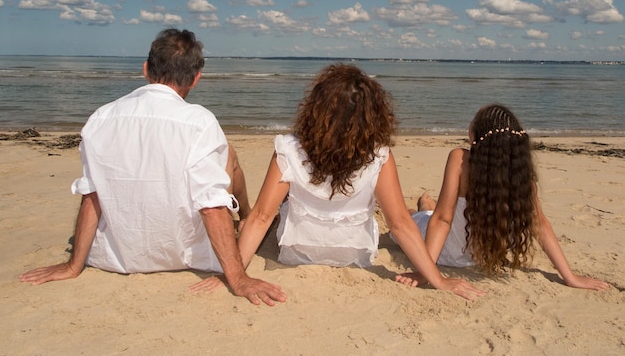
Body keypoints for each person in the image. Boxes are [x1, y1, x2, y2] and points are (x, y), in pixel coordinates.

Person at [20, 28, 286, 306]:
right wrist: (238, 278)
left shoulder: (102, 117)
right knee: (227, 158)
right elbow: (210, 205)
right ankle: (244, 217)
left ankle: (243, 216)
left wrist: (73, 265)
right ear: (196, 79)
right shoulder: (199, 121)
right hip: (186, 255)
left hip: (117, 258)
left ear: (147, 70)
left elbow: (93, 196)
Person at [198, 63, 484, 300]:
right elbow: (399, 223)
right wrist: (438, 279)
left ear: (316, 109)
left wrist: (233, 276)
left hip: (298, 253)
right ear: (371, 116)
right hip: (355, 254)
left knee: (280, 203)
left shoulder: (289, 148)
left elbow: (261, 216)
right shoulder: (379, 155)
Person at [396, 104, 609, 291]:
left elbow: (443, 219)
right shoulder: (520, 174)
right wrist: (569, 277)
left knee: (410, 217)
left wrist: (426, 272)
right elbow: (540, 224)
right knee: (430, 213)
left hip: (444, 250)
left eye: (472, 122)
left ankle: (423, 208)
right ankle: (425, 206)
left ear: (478, 136)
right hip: (480, 256)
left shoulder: (460, 159)